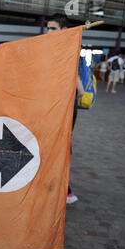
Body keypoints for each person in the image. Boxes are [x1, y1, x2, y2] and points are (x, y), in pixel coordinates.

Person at [46, 15, 85, 205]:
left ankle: (66, 191)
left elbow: (79, 86)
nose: (49, 31)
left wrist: (78, 91)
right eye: (48, 28)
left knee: (60, 147)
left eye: (53, 28)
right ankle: (56, 187)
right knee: (53, 146)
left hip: (66, 107)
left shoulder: (67, 49)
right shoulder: (52, 48)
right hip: (54, 105)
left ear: (62, 29)